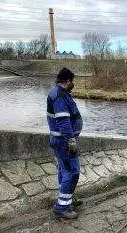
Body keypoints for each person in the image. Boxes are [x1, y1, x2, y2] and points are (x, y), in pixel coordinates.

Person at [46, 67, 83, 219]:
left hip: (58, 140)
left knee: (63, 170)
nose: (72, 84)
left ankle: (66, 199)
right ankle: (62, 207)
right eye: (71, 81)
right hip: (64, 142)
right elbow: (63, 122)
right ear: (67, 81)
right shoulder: (60, 96)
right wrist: (71, 140)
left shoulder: (57, 92)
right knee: (72, 172)